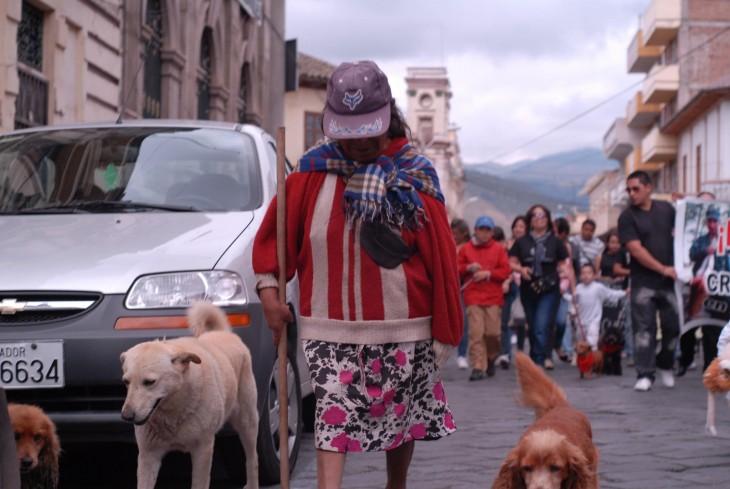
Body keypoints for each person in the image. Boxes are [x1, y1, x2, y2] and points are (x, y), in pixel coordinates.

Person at [252, 60, 462, 489]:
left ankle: (395, 484)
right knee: (333, 416)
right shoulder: (310, 174)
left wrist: (446, 323)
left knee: (400, 418)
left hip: (404, 324)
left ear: (388, 118)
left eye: (369, 130)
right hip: (328, 323)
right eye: (350, 133)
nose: (361, 142)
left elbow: (441, 253)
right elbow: (276, 238)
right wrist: (270, 292)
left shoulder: (414, 174)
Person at [617, 170, 679, 392]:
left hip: (670, 282)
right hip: (643, 281)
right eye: (629, 189)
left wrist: (683, 206)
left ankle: (665, 363)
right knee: (644, 330)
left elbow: (685, 230)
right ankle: (645, 373)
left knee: (674, 327)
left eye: (636, 188)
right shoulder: (627, 217)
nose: (632, 194)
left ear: (648, 187)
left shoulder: (666, 209)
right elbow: (635, 249)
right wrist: (663, 268)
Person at [509, 204, 569, 368]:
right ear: (530, 220)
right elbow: (510, 262)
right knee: (533, 326)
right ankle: (536, 355)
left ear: (548, 219)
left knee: (542, 324)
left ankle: (539, 361)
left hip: (549, 289)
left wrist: (563, 271)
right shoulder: (522, 242)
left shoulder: (555, 242)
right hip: (528, 289)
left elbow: (563, 264)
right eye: (534, 215)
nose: (538, 218)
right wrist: (521, 269)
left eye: (542, 215)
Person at [457, 216, 511, 380]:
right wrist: (468, 267)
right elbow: (456, 268)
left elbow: (505, 271)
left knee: (493, 334)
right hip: (473, 297)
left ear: (493, 232)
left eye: (488, 230)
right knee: (476, 333)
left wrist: (488, 274)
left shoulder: (499, 249)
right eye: (482, 230)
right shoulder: (466, 249)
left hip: (493, 297)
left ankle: (491, 356)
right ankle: (478, 367)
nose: (485, 233)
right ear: (475, 231)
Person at [679, 192, 724, 376]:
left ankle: (709, 367)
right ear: (707, 222)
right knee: (690, 325)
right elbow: (690, 253)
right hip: (698, 283)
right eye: (710, 221)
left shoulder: (725, 238)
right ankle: (685, 359)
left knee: (712, 329)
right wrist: (706, 250)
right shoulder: (702, 240)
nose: (712, 224)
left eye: (715, 221)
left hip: (718, 287)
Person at [597, 232, 633, 362]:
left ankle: (625, 347)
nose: (615, 245)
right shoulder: (601, 257)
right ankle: (604, 345)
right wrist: (607, 278)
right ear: (607, 243)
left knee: (624, 320)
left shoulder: (624, 254)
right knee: (606, 319)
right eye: (612, 242)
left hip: (622, 290)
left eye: (617, 242)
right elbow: (594, 275)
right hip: (607, 290)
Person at [573, 263, 628, 349]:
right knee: (581, 343)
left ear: (594, 275)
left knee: (592, 341)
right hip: (581, 322)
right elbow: (573, 301)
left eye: (588, 273)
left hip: (593, 321)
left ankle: (593, 360)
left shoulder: (598, 287)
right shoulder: (578, 288)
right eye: (583, 273)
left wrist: (624, 293)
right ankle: (581, 360)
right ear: (580, 276)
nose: (586, 275)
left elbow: (611, 294)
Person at [497, 216, 528, 367]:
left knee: (520, 320)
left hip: (523, 285)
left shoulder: (529, 244)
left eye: (522, 226)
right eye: (516, 226)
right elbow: (503, 264)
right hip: (508, 285)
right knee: (505, 320)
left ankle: (520, 352)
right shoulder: (506, 244)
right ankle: (505, 353)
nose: (518, 229)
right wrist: (507, 280)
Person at [451, 218, 471, 370]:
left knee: (463, 323)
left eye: (456, 233)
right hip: (448, 288)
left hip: (464, 288)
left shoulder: (469, 248)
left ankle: (462, 354)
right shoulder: (446, 245)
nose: (453, 235)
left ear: (464, 234)